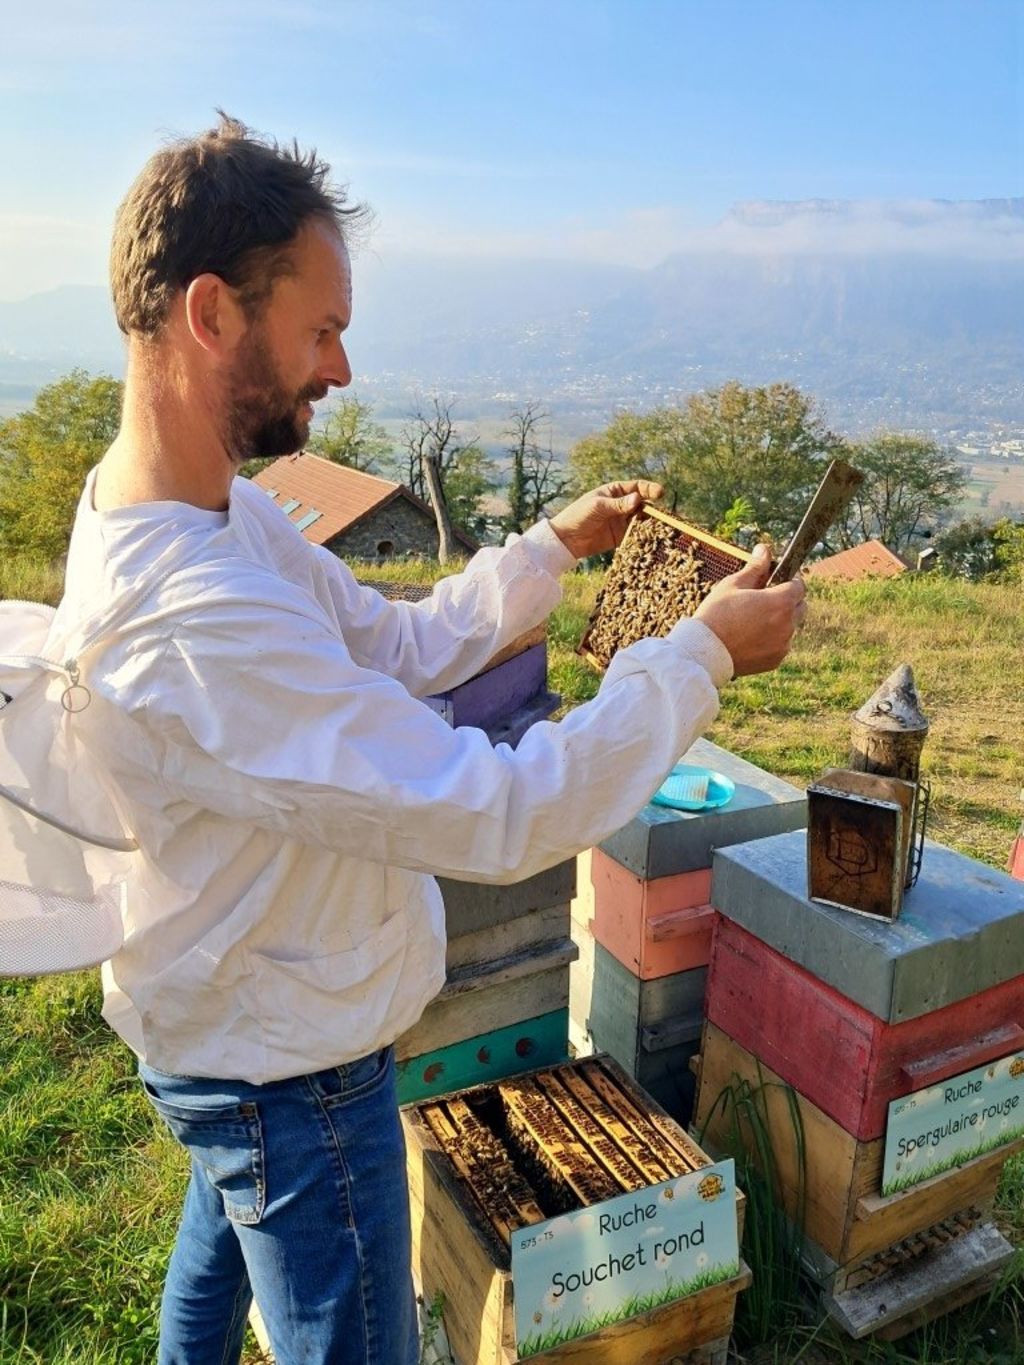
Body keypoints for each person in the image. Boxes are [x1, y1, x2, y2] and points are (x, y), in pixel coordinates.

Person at [53, 114, 805, 1365]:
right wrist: (702, 656)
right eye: (321, 328)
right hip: (287, 1068)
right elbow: (498, 814)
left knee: (217, 1244)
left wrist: (552, 545)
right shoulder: (194, 619)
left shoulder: (209, 512)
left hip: (230, 1013)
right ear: (209, 315)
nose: (339, 366)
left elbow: (392, 647)